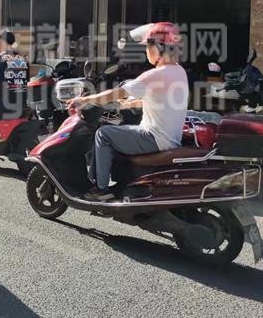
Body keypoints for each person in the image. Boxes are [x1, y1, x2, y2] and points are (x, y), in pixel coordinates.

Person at [67, 22, 189, 201]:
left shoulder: (156, 74)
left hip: (154, 138)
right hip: (170, 138)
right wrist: (128, 105)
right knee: (120, 130)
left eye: (148, 46)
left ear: (159, 48)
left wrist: (84, 100)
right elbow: (162, 101)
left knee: (103, 134)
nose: (146, 51)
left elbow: (116, 93)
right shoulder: (179, 71)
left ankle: (101, 190)